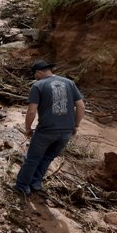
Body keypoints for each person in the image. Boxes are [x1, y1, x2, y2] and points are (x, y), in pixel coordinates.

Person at [13, 60, 85, 195]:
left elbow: (31, 111)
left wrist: (27, 128)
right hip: (66, 131)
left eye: (34, 74)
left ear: (39, 72)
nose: (35, 77)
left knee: (33, 158)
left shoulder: (38, 85)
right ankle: (36, 183)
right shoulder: (69, 83)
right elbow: (81, 106)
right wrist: (76, 125)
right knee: (47, 157)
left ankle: (22, 186)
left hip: (47, 129)